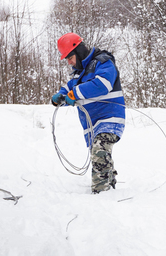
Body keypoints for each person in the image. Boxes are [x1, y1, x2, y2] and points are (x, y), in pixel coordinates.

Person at [51, 33, 126, 194]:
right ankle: (109, 181)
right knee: (99, 154)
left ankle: (102, 193)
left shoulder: (103, 62)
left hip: (110, 118)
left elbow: (102, 84)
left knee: (99, 149)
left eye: (70, 57)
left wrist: (74, 94)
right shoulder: (79, 74)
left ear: (79, 51)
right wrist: (60, 96)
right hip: (93, 125)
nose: (69, 62)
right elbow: (69, 88)